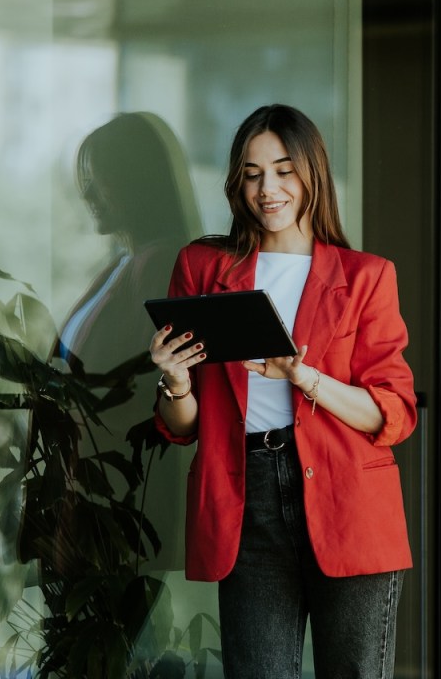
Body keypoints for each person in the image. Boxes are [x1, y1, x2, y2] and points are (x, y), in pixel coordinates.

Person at [148, 103, 418, 679]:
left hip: (348, 498)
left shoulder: (366, 276)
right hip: (245, 497)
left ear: (311, 174)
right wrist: (174, 381)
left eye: (283, 170)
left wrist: (303, 375)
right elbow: (184, 426)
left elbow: (393, 413)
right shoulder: (202, 268)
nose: (267, 188)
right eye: (251, 173)